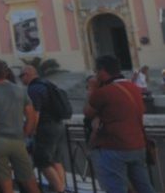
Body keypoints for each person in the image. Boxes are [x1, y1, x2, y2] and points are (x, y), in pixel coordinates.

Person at [84, 55, 154, 193]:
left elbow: (87, 111)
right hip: (138, 145)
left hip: (113, 147)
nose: (96, 75)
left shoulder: (104, 92)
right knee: (145, 188)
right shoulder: (133, 88)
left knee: (115, 188)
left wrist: (92, 88)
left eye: (96, 71)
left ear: (103, 71)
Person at [0, 56, 39, 193]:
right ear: (4, 72)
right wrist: (26, 133)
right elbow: (31, 115)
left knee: (5, 186)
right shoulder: (20, 90)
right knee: (29, 180)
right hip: (18, 140)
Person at [19, 65, 67, 193]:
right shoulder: (47, 84)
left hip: (45, 128)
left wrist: (31, 131)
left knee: (42, 162)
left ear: (28, 74)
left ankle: (60, 189)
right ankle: (61, 188)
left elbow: (35, 113)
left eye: (21, 76)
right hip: (58, 125)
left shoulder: (34, 89)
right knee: (56, 160)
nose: (20, 80)